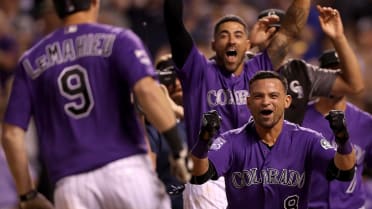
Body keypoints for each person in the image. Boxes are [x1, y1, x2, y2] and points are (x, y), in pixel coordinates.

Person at [1, 0, 192, 209]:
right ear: (95, 2)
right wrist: (177, 147)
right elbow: (147, 91)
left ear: (56, 8)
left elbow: (11, 134)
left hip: (71, 184)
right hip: (125, 169)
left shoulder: (30, 61)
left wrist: (27, 194)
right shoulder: (119, 39)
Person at [163, 0, 312, 207]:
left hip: (250, 176)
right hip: (209, 174)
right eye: (224, 35)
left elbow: (291, 29)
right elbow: (174, 25)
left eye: (238, 35)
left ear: (248, 44)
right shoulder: (197, 71)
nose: (231, 41)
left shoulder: (260, 68)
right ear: (214, 45)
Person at [190, 71, 356, 209]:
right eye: (258, 96)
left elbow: (345, 171)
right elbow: (199, 174)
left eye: (273, 96)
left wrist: (343, 138)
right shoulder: (231, 141)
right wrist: (203, 140)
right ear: (248, 103)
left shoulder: (307, 140)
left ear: (286, 101)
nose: (266, 102)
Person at [250, 6, 364, 124]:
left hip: (292, 142)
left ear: (290, 39)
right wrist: (250, 43)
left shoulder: (301, 71)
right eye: (267, 31)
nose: (274, 39)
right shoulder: (243, 68)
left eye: (278, 33)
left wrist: (338, 38)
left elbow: (354, 85)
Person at [301, 50, 372, 209]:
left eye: (342, 74)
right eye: (332, 73)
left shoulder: (366, 123)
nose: (337, 80)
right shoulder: (299, 119)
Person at [146, 54, 187, 209]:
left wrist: (177, 110)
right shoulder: (153, 130)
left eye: (180, 76)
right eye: (168, 78)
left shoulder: (207, 116)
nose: (176, 83)